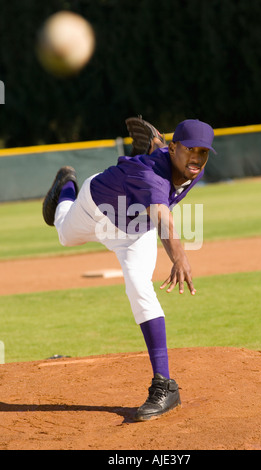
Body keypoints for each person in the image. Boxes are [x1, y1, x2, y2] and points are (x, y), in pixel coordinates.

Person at [42, 117, 216, 421]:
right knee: (63, 235)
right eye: (190, 149)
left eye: (203, 152)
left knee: (138, 285)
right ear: (175, 148)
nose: (197, 158)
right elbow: (164, 218)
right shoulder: (153, 176)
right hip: (93, 208)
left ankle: (164, 385)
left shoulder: (191, 167)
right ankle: (67, 184)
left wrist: (159, 147)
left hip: (134, 232)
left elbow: (160, 204)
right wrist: (180, 257)